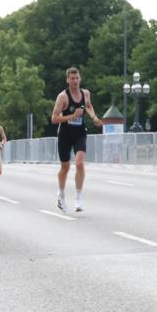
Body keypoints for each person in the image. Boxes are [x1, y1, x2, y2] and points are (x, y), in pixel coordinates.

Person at [51, 67, 103, 212]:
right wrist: (72, 116)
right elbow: (54, 118)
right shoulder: (63, 97)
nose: (75, 81)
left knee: (79, 163)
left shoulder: (85, 93)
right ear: (67, 80)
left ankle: (78, 198)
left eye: (77, 78)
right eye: (72, 78)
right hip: (65, 134)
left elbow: (88, 106)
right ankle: (61, 195)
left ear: (80, 79)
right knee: (65, 167)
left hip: (80, 133)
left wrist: (94, 117)